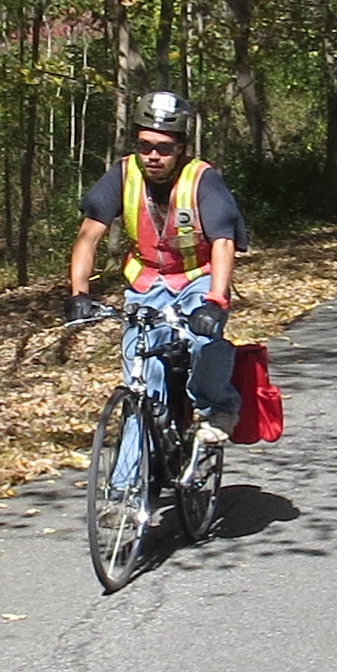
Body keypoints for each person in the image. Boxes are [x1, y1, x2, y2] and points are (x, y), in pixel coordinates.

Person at [66, 90, 244, 449]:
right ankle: (128, 479)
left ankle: (218, 408)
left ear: (180, 148)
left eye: (163, 148)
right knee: (140, 381)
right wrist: (78, 293)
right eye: (145, 146)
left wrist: (215, 301)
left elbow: (223, 241)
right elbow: (88, 237)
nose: (152, 156)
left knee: (203, 341)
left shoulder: (202, 179)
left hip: (196, 278)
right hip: (146, 283)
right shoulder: (123, 175)